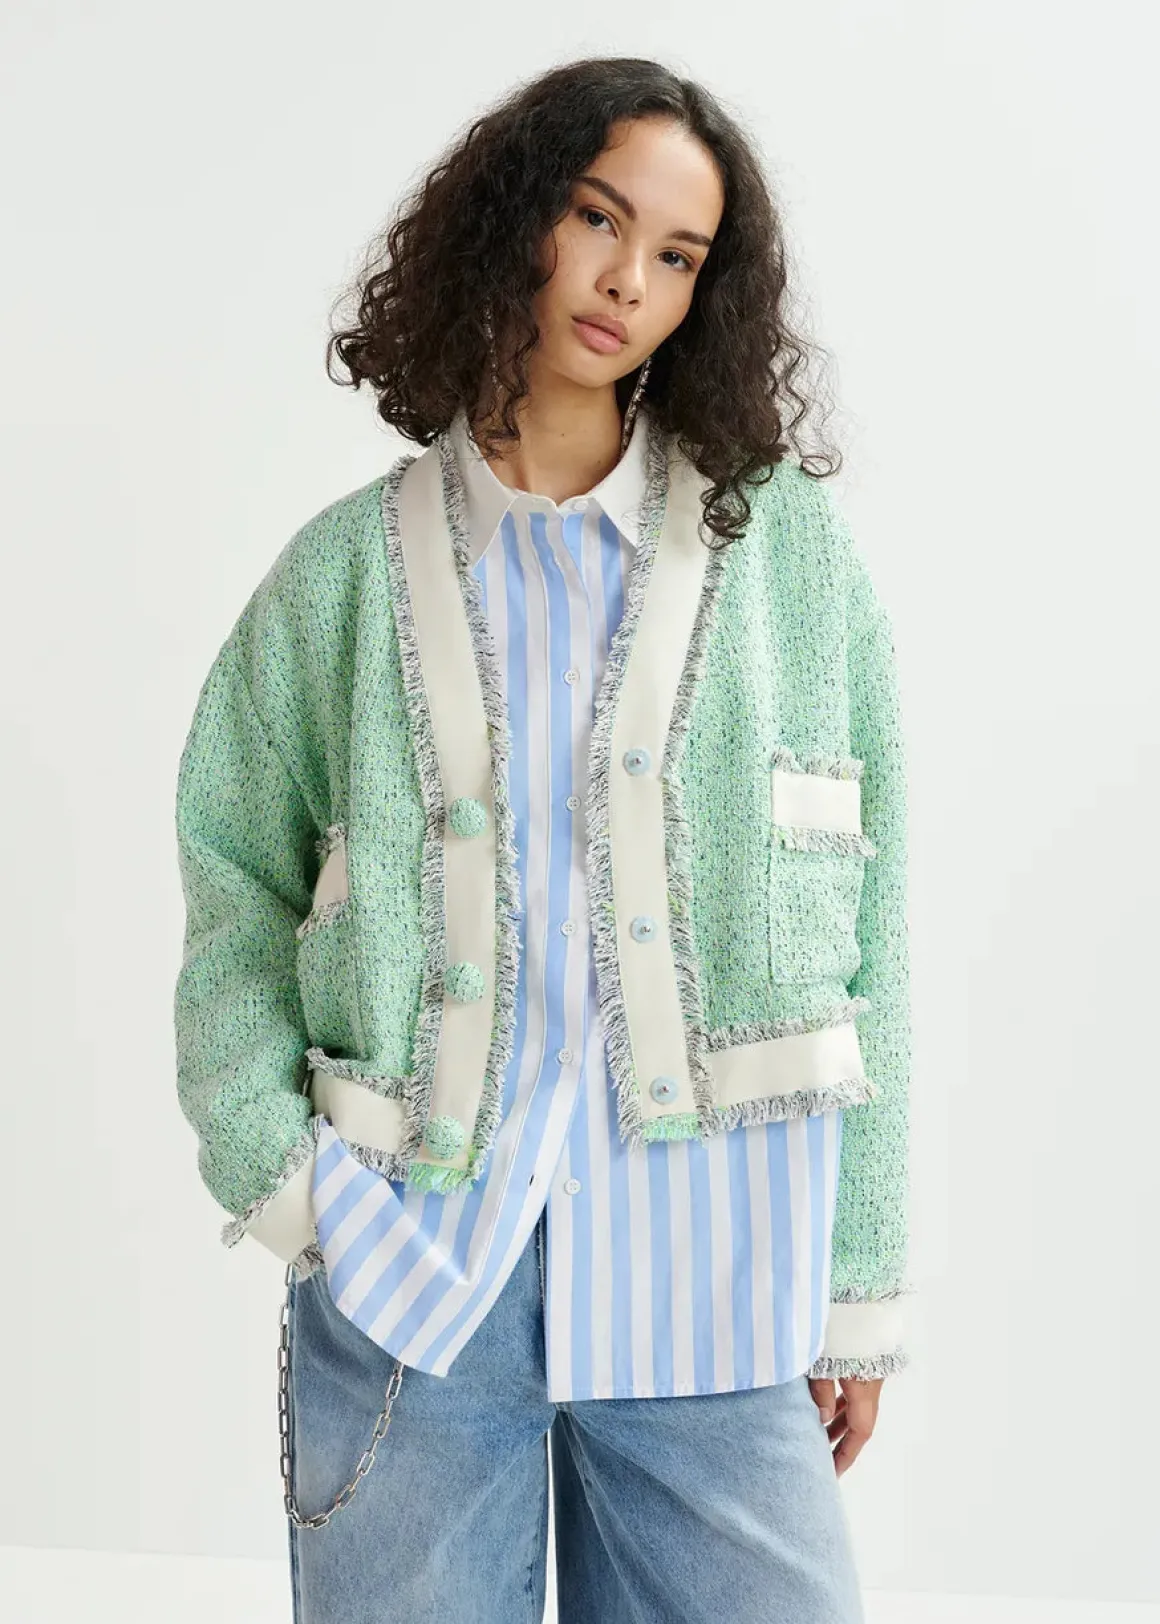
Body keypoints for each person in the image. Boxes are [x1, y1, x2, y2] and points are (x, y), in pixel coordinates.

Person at [173, 54, 913, 1624]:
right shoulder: (342, 580)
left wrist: (855, 1285)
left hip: (715, 1270)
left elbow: (875, 920)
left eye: (679, 255)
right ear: (515, 216)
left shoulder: (785, 560)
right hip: (411, 1277)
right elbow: (232, 887)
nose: (629, 280)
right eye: (598, 218)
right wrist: (295, 1191)